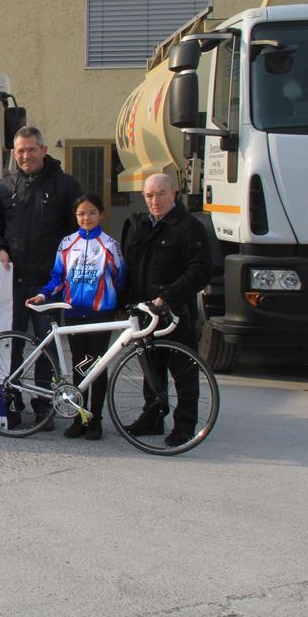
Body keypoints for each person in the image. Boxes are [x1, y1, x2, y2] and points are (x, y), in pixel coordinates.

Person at [0, 126, 82, 429]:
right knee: (12, 345)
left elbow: (77, 233)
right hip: (13, 282)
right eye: (20, 151)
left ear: (43, 150)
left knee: (46, 348)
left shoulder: (66, 185)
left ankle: (44, 405)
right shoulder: (6, 186)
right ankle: (12, 403)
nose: (25, 156)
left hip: (48, 284)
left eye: (30, 149)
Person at [120, 173, 211, 446]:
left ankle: (184, 427)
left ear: (174, 194)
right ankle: (153, 418)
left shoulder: (189, 227)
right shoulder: (140, 226)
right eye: (149, 195)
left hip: (175, 312)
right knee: (151, 370)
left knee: (183, 372)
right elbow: (130, 267)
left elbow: (200, 271)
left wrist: (167, 298)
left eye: (160, 194)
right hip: (144, 312)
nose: (154, 200)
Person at [27, 193, 125, 440]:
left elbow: (120, 277)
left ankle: (96, 420)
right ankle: (80, 417)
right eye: (81, 213)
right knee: (80, 366)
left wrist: (111, 301)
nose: (86, 218)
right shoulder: (67, 243)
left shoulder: (109, 244)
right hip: (73, 314)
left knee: (97, 367)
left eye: (92, 212)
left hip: (100, 315)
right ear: (75, 216)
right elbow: (58, 278)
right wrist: (43, 294)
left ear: (101, 214)